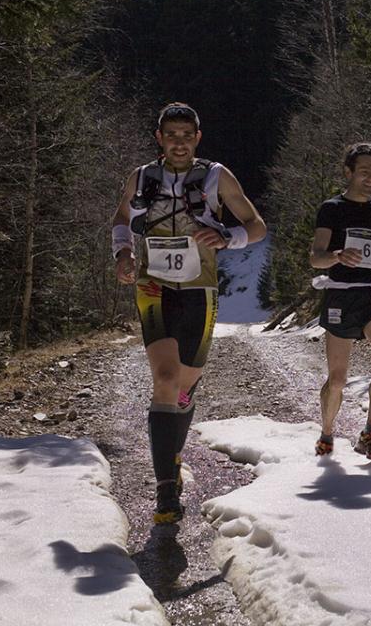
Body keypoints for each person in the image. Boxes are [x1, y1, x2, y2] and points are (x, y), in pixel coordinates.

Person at [111, 102, 266, 524]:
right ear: (159, 139)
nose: (179, 142)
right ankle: (166, 489)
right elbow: (122, 218)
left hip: (200, 290)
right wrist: (123, 253)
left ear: (197, 138)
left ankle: (173, 449)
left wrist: (225, 237)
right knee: (163, 379)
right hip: (152, 286)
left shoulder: (216, 176)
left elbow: (256, 226)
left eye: (186, 135)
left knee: (182, 388)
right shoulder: (141, 177)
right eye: (171, 135)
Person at [309, 142, 371, 461]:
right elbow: (316, 257)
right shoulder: (332, 208)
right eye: (364, 171)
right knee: (338, 379)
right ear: (348, 172)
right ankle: (327, 432)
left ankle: (370, 433)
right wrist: (337, 256)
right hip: (341, 294)